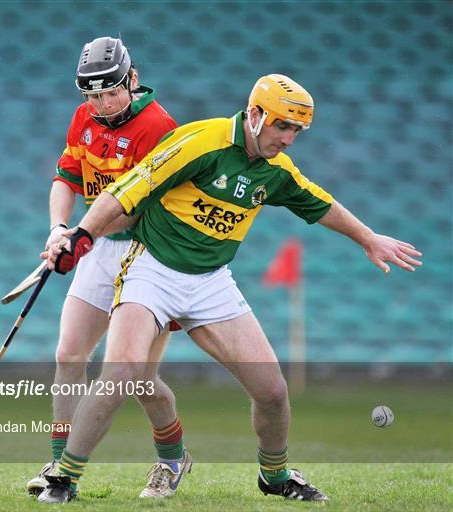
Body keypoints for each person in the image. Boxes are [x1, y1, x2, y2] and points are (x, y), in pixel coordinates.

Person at [39, 74, 423, 503]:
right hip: (152, 271)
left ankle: (275, 476)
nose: (289, 139)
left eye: (296, 130)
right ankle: (64, 478)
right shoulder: (200, 142)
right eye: (283, 126)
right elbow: (125, 191)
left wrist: (369, 238)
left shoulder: (276, 170)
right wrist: (82, 235)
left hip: (211, 282)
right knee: (124, 372)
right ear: (255, 115)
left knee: (273, 391)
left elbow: (321, 203)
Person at [26, 36, 192, 500]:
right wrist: (60, 228)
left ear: (132, 79)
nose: (100, 104)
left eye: (110, 91)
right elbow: (67, 176)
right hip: (97, 247)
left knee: (138, 378)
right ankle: (59, 461)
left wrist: (83, 235)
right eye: (91, 95)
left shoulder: (160, 128)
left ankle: (172, 459)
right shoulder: (85, 118)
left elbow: (137, 210)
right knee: (68, 355)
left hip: (151, 253)